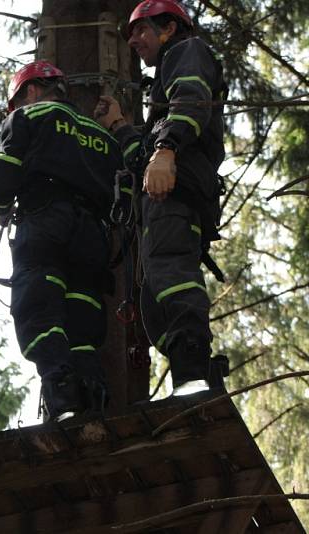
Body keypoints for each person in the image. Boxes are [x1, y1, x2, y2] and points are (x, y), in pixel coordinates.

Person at [94, 0, 226, 396]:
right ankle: (197, 370)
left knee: (171, 275)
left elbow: (192, 99)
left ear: (168, 28)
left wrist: (167, 150)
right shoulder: (163, 93)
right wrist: (119, 126)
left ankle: (193, 374)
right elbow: (142, 159)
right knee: (153, 305)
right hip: (163, 199)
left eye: (140, 29)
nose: (133, 40)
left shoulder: (187, 52)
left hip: (178, 191)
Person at [0, 61, 123, 422]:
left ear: (29, 91)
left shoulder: (30, 117)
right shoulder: (102, 136)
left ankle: (62, 396)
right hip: (92, 235)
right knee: (82, 313)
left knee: (39, 304)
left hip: (45, 220)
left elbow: (5, 168)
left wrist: (1, 207)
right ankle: (92, 393)